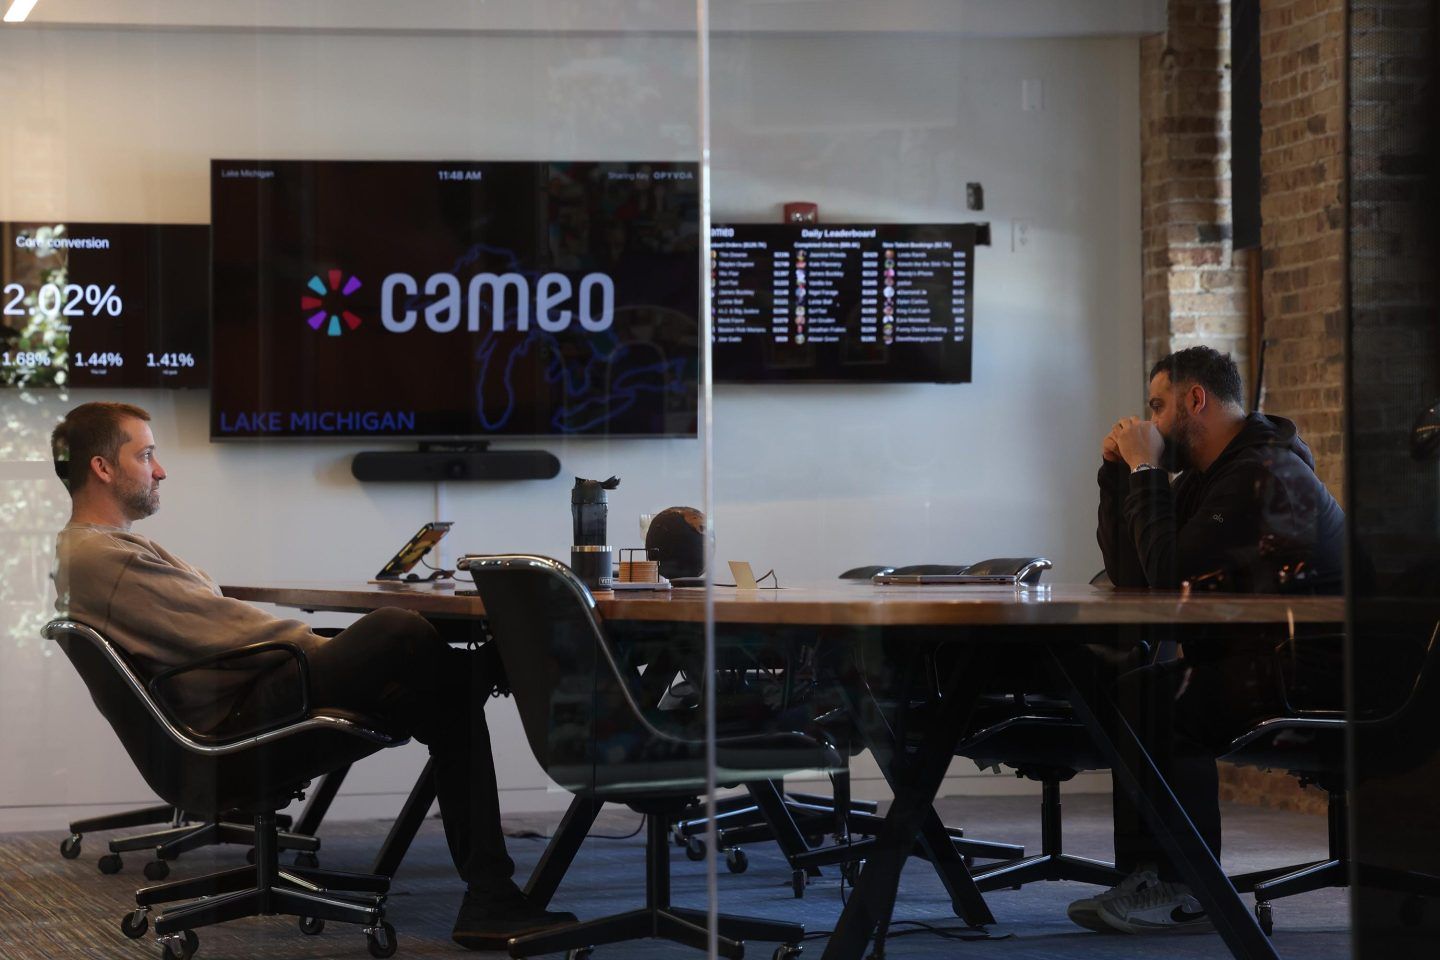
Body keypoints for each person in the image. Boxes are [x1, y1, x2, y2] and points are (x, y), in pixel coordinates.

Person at [49, 401, 574, 950]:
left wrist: (338, 649)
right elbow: (225, 629)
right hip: (229, 728)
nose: (159, 470)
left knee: (448, 707)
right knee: (394, 628)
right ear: (102, 468)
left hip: (233, 710)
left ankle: (490, 896)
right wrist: (336, 646)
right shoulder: (103, 557)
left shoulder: (96, 551)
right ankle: (498, 666)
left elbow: (213, 625)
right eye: (146, 454)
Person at [1074, 346, 1345, 934]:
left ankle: (1184, 887)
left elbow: (1170, 578)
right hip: (1266, 662)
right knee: (1137, 690)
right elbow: (1135, 570)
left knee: (1153, 699)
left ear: (1195, 400)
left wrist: (1147, 470)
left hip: (1322, 674)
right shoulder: (1211, 479)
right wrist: (1118, 472)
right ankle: (1155, 875)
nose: (1149, 419)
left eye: (1158, 404)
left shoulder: (1262, 473)